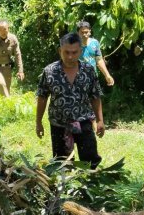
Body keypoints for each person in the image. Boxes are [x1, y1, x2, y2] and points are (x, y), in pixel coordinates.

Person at [36, 32, 105, 168]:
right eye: (66, 52)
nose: (70, 56)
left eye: (74, 52)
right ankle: (65, 187)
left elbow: (95, 96)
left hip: (84, 121)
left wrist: (100, 120)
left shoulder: (88, 71)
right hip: (59, 123)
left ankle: (89, 185)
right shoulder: (50, 71)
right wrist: (38, 122)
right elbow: (42, 97)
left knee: (89, 161)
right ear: (60, 50)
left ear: (80, 51)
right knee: (62, 164)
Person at [77, 21, 114, 87]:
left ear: (90, 32)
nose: (84, 35)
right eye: (82, 32)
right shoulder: (73, 45)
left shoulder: (95, 43)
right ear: (78, 33)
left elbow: (99, 60)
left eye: (86, 32)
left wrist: (107, 75)